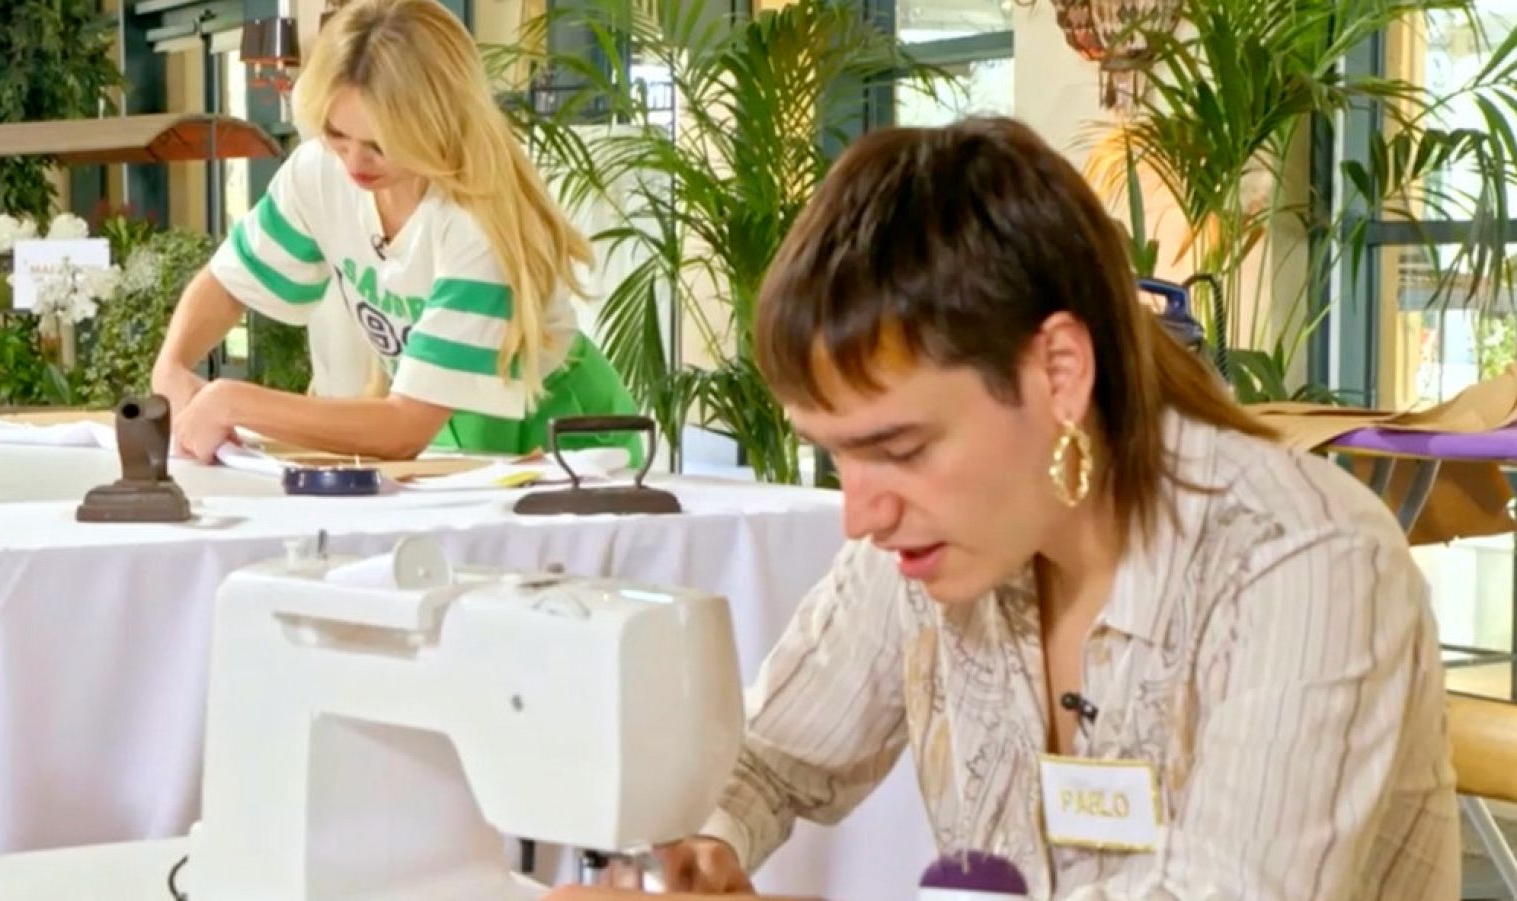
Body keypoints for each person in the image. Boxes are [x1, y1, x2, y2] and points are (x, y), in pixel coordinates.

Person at [545, 117, 1459, 900]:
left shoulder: (1302, 561)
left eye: (898, 448)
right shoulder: (938, 544)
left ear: (1058, 371)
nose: (859, 515)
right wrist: (699, 848)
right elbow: (769, 755)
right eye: (838, 454)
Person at [152, 0, 641, 464]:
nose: (354, 162)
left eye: (380, 145)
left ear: (437, 125)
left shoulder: (476, 223)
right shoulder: (319, 172)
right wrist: (170, 368)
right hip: (440, 424)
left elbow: (404, 429)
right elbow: (228, 283)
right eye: (337, 134)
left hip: (557, 434)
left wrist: (234, 402)